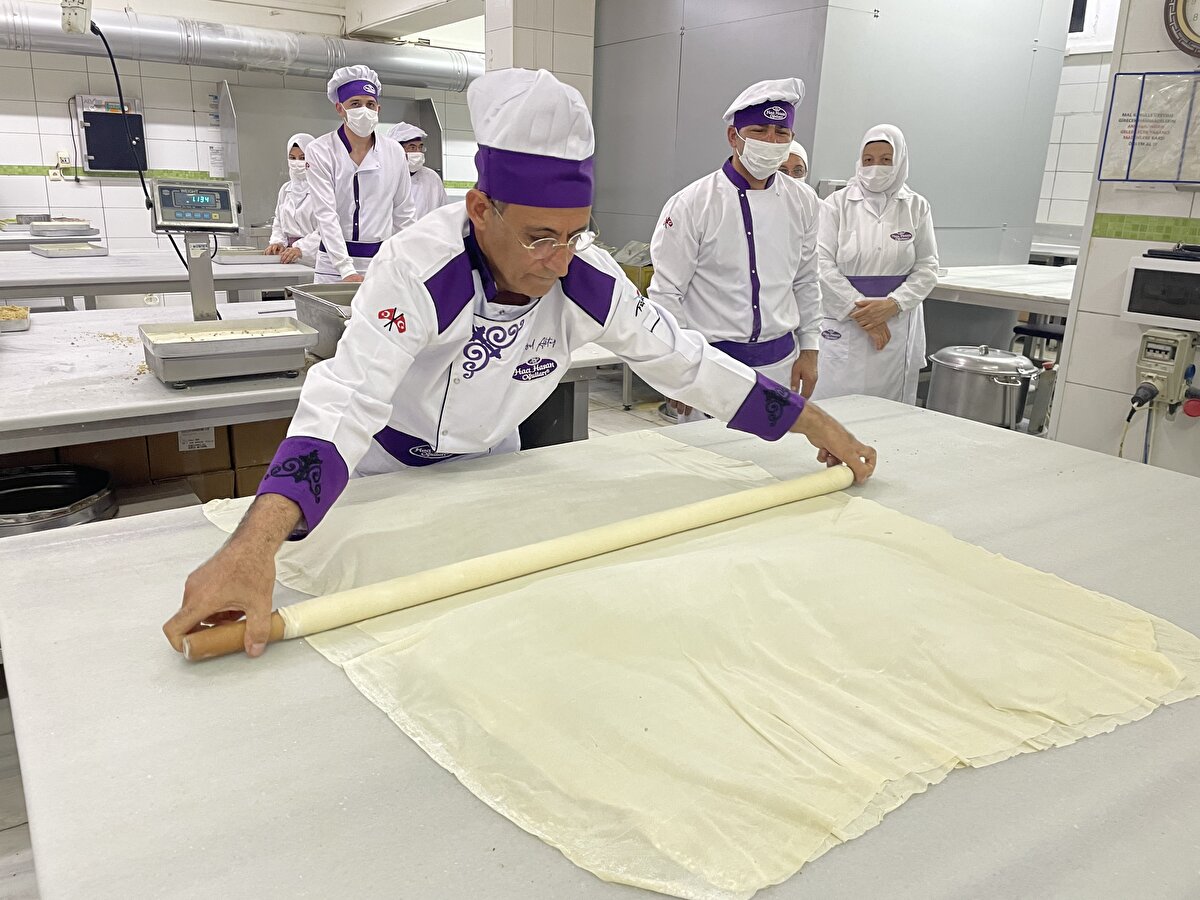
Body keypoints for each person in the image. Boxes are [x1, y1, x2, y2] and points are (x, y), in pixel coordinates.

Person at [163, 68, 877, 659]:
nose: (558, 260)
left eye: (574, 234)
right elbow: (347, 399)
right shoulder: (418, 269)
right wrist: (254, 548)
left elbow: (685, 362)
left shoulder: (582, 275)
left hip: (494, 464)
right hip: (389, 472)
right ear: (479, 209)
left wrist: (809, 421)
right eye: (538, 237)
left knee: (495, 637)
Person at [648, 78, 822, 426]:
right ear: (734, 137)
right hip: (713, 368)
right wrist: (676, 368)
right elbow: (666, 293)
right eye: (759, 130)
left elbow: (805, 280)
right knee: (712, 469)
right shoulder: (692, 203)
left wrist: (810, 348)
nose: (771, 142)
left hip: (780, 364)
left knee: (776, 465)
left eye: (781, 133)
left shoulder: (803, 202)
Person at [810, 125, 938, 405]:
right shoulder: (836, 204)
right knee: (834, 405)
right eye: (868, 160)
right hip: (844, 321)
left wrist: (894, 304)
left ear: (901, 160)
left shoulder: (916, 206)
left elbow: (928, 266)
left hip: (897, 322)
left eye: (885, 159)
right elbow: (819, 264)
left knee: (889, 410)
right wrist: (862, 312)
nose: (875, 167)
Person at [306, 65, 417, 283]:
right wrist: (345, 269)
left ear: (378, 108)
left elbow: (404, 213)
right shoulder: (320, 150)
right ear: (340, 108)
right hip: (333, 264)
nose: (364, 110)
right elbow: (326, 214)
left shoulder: (394, 151)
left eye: (370, 104)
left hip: (380, 261)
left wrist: (411, 259)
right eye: (355, 104)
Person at [264, 133, 319, 265]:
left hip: (315, 258)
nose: (297, 163)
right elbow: (278, 221)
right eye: (292, 158)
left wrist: (301, 248)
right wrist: (277, 242)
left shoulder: (322, 189)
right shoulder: (285, 189)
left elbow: (327, 230)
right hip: (288, 258)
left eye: (302, 158)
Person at [386, 122, 449, 219]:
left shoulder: (432, 177)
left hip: (426, 233)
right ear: (397, 150)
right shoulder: (385, 176)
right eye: (412, 147)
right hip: (395, 234)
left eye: (420, 147)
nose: (418, 152)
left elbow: (443, 211)